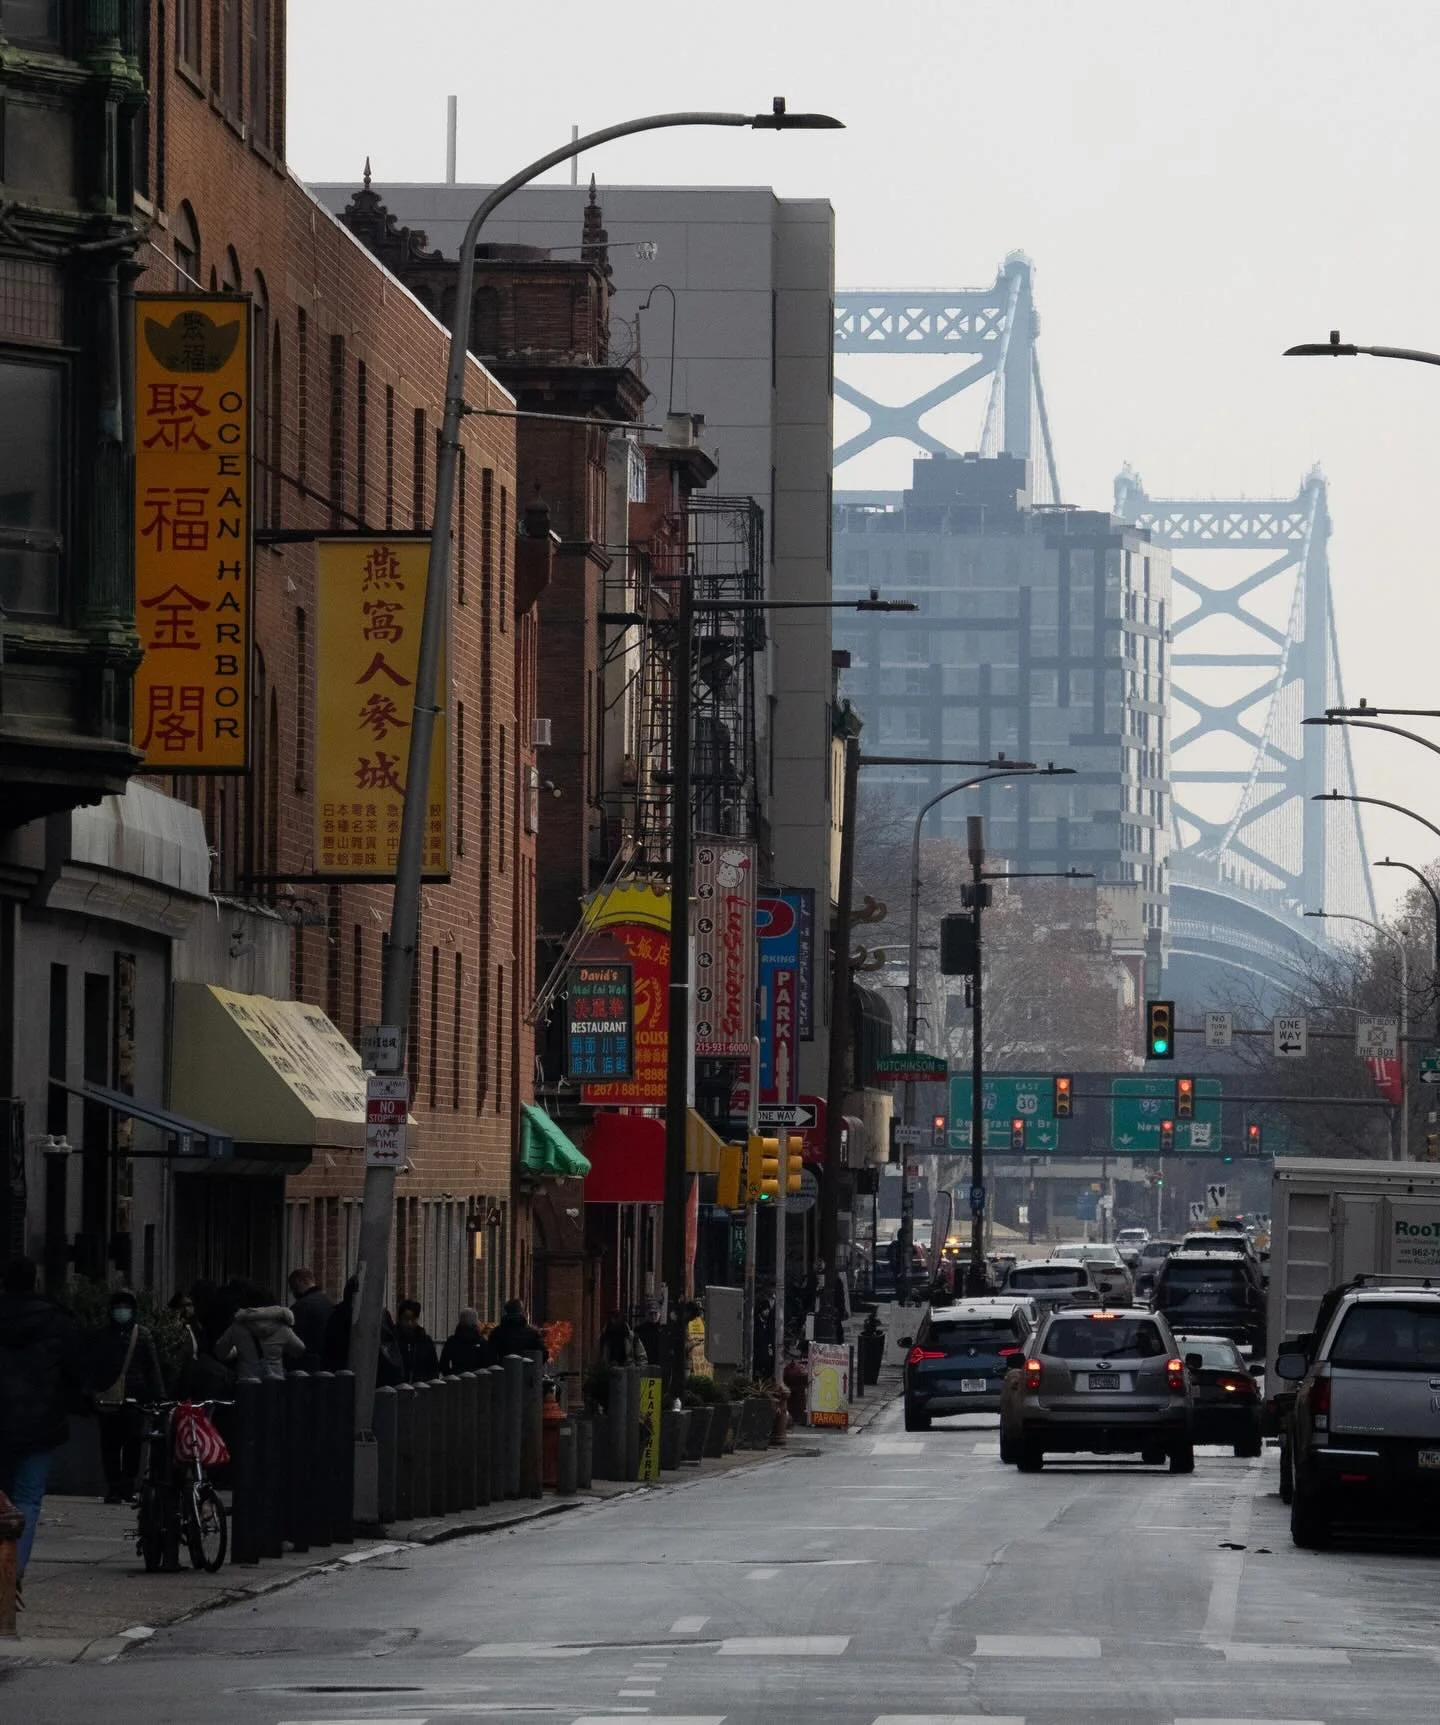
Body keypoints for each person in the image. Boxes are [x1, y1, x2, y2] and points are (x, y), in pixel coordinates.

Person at [0, 1257, 82, 1596]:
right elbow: (77, 1372)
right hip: (40, 1421)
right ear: (35, 1282)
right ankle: (11, 1573)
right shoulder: (57, 1321)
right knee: (28, 1497)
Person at [89, 1288, 163, 1503]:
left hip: (135, 1399)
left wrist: (158, 1396)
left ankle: (127, 1486)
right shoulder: (102, 1336)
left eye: (126, 1306)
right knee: (110, 1446)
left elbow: (152, 1368)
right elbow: (93, 1367)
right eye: (118, 1306)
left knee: (133, 1444)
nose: (122, 1311)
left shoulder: (143, 1335)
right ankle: (113, 1487)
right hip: (109, 1399)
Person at [215, 1294, 305, 1381]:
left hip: (247, 1385)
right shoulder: (282, 1328)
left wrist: (238, 1351)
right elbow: (299, 1349)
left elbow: (220, 1353)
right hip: (274, 1385)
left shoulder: (237, 1326)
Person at [287, 1268, 335, 1360]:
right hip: (328, 1360)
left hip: (305, 1363)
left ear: (300, 1282)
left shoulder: (300, 1307)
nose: (293, 1292)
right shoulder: (330, 1302)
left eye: (293, 1287)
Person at [394, 1299, 440, 1382]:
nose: (409, 1323)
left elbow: (433, 1368)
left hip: (421, 1388)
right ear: (399, 1319)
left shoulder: (425, 1341)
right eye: (406, 1319)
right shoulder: (393, 1340)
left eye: (413, 1319)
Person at [439, 1307, 491, 1375]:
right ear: (475, 1322)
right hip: (476, 1380)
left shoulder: (452, 1341)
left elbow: (443, 1363)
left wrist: (450, 1375)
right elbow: (488, 1363)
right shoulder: (482, 1342)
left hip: (456, 1379)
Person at [753, 1289, 777, 1381]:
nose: (767, 1312)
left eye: (768, 1309)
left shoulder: (769, 1323)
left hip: (767, 1353)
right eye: (765, 1310)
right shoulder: (756, 1324)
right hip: (759, 1354)